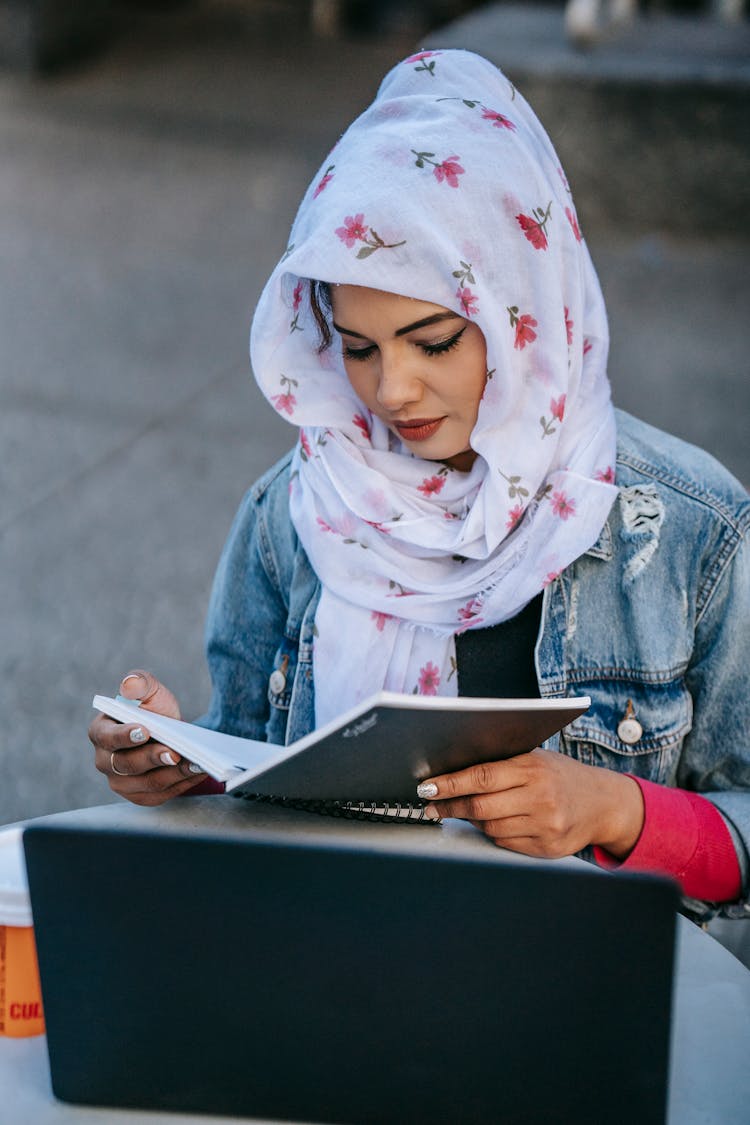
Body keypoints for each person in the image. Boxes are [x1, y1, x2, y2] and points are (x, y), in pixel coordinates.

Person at [89, 48, 749, 917]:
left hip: (584, 1014)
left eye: (434, 341)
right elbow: (246, 783)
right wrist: (176, 766)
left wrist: (615, 809)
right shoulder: (296, 511)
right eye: (356, 348)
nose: (391, 391)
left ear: (527, 312)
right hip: (343, 984)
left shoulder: (689, 531)